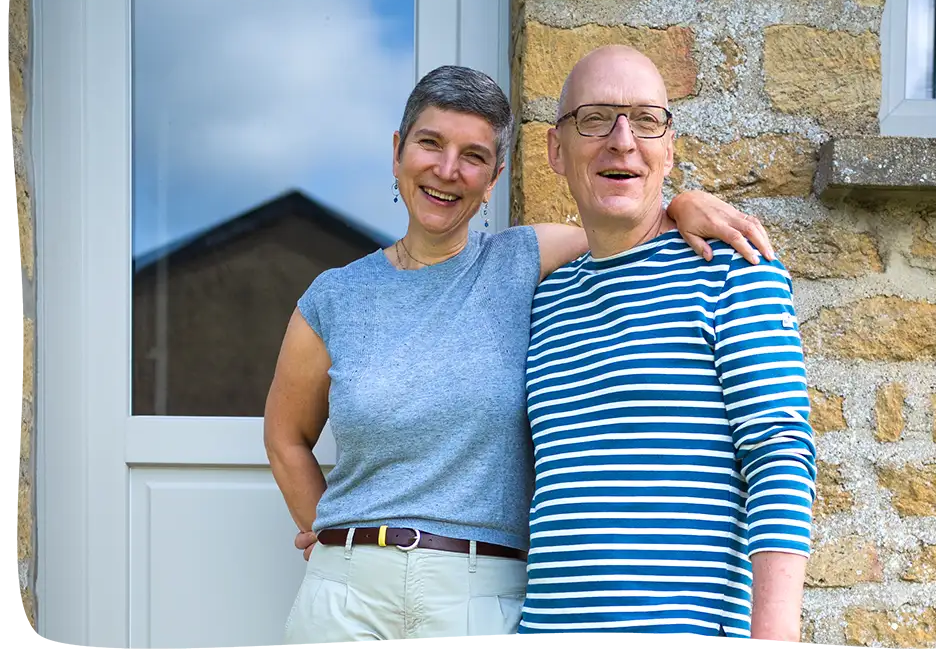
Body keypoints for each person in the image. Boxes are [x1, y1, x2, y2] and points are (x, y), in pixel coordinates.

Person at [264, 63, 777, 647]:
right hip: (346, 600)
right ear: (398, 151)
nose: (447, 170)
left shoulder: (521, 260)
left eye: (474, 156)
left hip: (478, 596)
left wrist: (684, 202)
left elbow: (623, 219)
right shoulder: (335, 296)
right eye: (430, 143)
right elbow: (284, 436)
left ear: (495, 177)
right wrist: (330, 542)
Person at [517, 46, 816, 643]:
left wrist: (775, 646)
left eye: (646, 121)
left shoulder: (734, 271)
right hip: (545, 639)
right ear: (556, 149)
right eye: (596, 118)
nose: (623, 141)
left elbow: (780, 454)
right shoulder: (544, 302)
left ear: (669, 148)